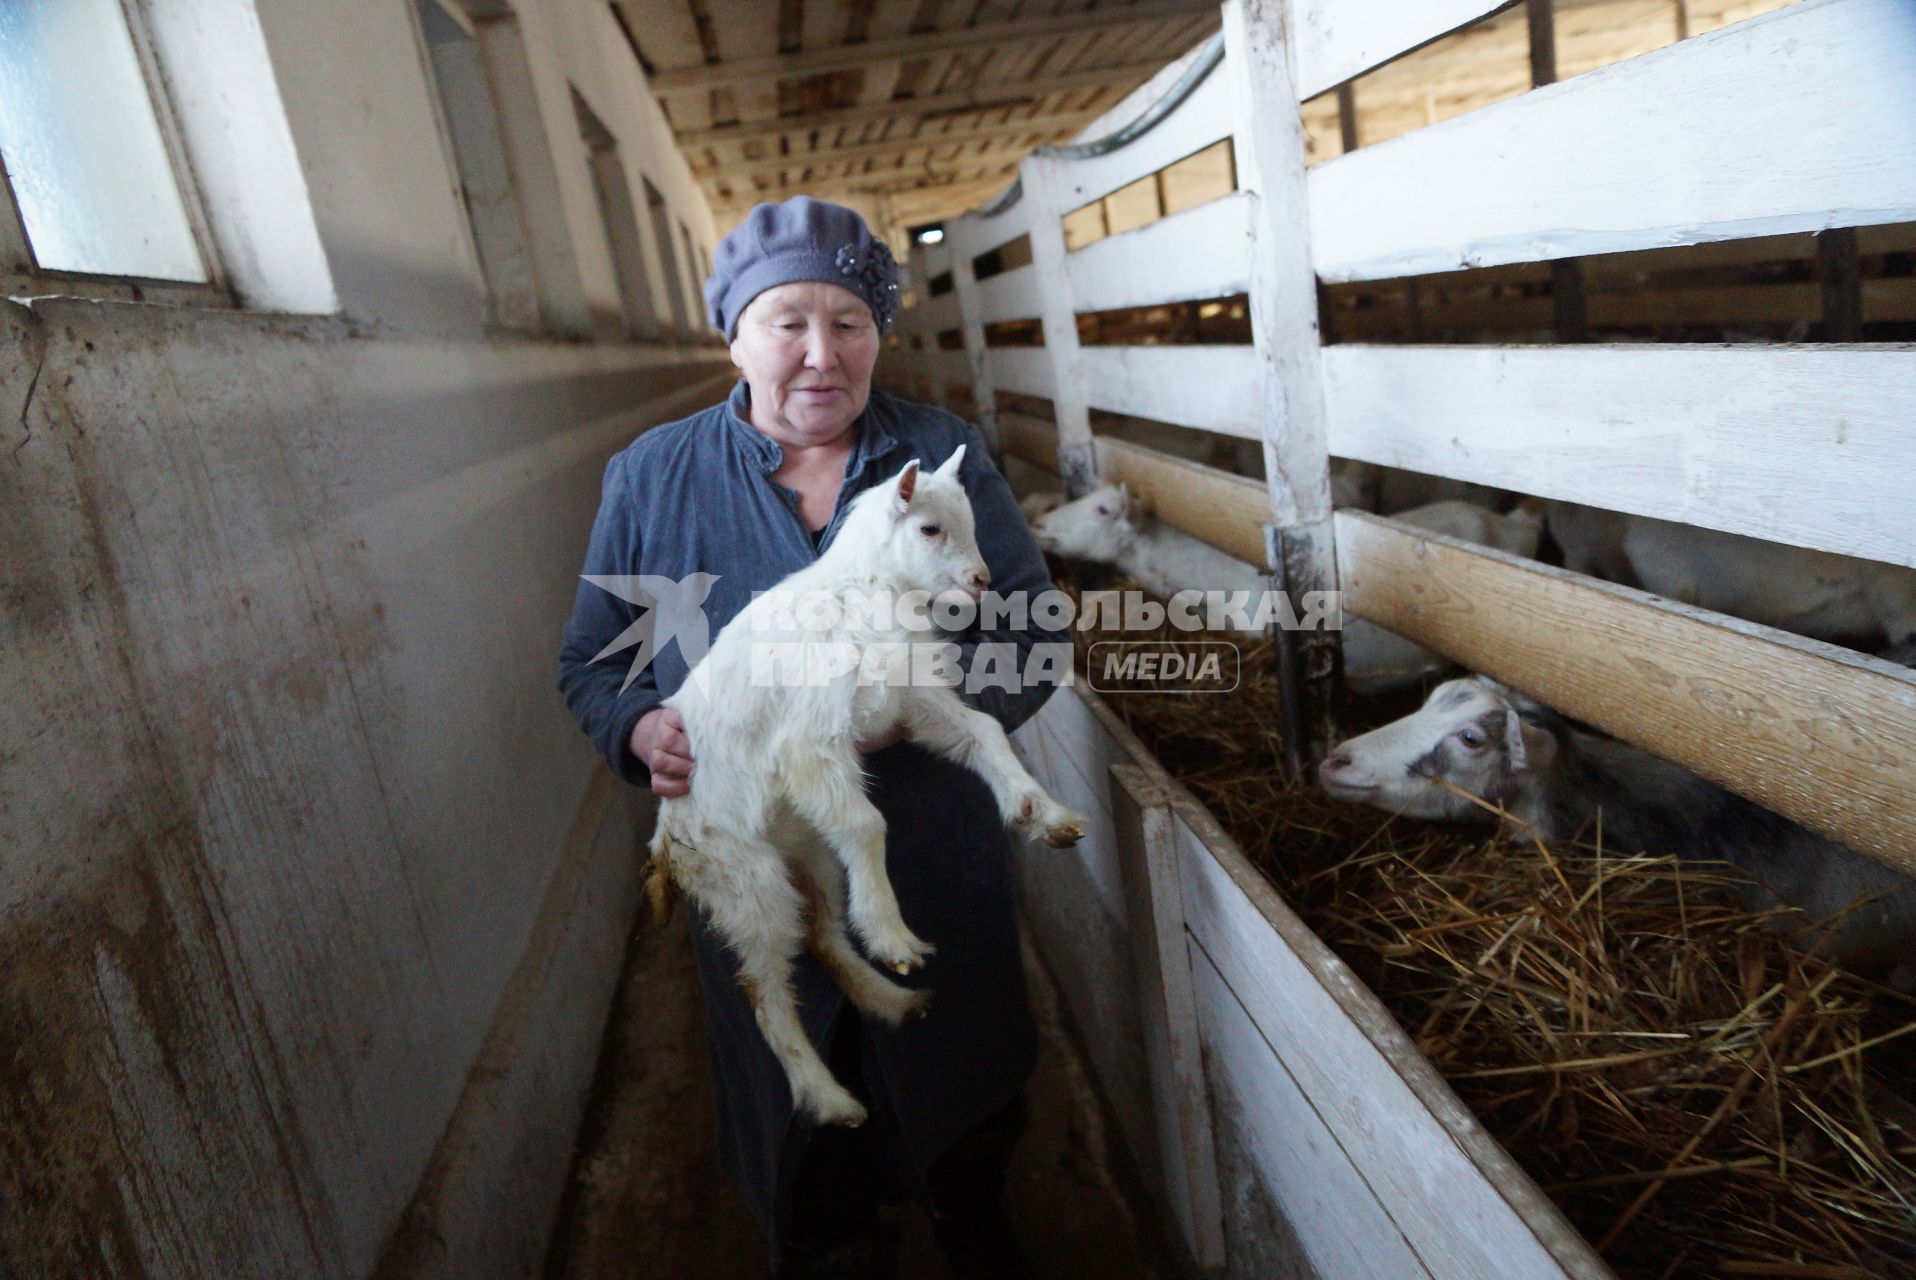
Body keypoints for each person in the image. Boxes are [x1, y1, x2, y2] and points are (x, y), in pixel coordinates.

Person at [557, 196, 1068, 1279]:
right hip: (758, 857)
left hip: (929, 856)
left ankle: (976, 1228)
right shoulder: (655, 475)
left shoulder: (940, 453)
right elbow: (592, 663)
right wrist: (639, 725)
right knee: (811, 1149)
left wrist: (902, 709)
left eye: (850, 323)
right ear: (732, 334)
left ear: (880, 333)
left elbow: (1029, 637)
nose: (820, 355)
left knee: (964, 1107)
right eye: (786, 320)